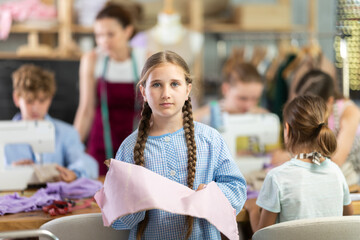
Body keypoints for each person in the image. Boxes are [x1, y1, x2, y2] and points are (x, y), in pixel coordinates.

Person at [110, 51, 247, 239]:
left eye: (175, 84)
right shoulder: (129, 148)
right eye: (157, 85)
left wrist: (212, 195)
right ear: (143, 92)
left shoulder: (210, 139)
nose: (166, 94)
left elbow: (237, 189)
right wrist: (137, 201)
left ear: (187, 90)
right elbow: (117, 220)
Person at [244, 95, 353, 233]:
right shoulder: (336, 172)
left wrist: (253, 210)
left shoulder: (277, 177)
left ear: (287, 130)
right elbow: (348, 220)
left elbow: (263, 236)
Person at [73, 3, 147, 175]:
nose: (103, 41)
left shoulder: (145, 58)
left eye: (110, 34)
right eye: (98, 35)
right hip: (101, 142)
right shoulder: (92, 60)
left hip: (137, 143)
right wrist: (71, 149)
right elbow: (85, 110)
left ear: (128, 31)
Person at [5, 64, 98, 182]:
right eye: (29, 101)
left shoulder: (67, 133)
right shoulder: (4, 136)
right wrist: (9, 172)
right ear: (16, 99)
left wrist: (74, 173)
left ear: (50, 99)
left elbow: (87, 163)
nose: (35, 108)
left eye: (42, 100)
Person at [194, 61, 266, 128]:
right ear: (225, 89)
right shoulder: (198, 119)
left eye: (255, 99)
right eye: (243, 98)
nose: (249, 105)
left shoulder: (263, 117)